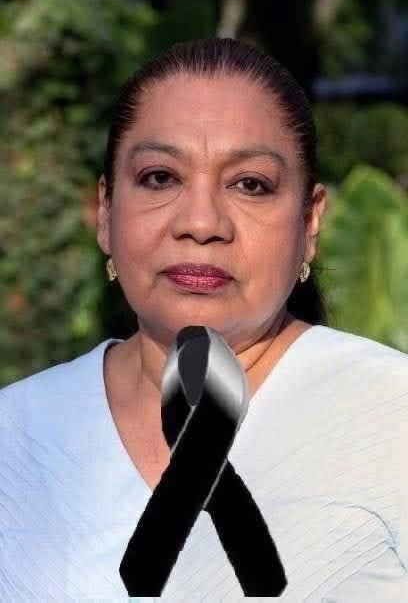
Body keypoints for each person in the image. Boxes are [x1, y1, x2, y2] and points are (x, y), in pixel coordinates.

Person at [0, 37, 407, 602]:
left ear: (309, 222)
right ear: (106, 211)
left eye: (250, 185)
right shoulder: (18, 433)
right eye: (160, 178)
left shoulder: (390, 415)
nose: (201, 223)